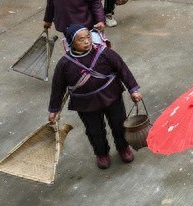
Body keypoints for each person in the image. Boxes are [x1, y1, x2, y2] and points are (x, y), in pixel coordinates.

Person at [48, 25, 142, 170]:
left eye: (88, 37)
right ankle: (101, 154)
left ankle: (123, 148)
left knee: (119, 125)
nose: (87, 41)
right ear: (71, 42)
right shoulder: (64, 64)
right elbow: (57, 87)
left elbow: (122, 69)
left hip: (111, 96)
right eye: (81, 39)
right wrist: (54, 109)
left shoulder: (104, 53)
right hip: (86, 104)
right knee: (94, 131)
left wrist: (133, 89)